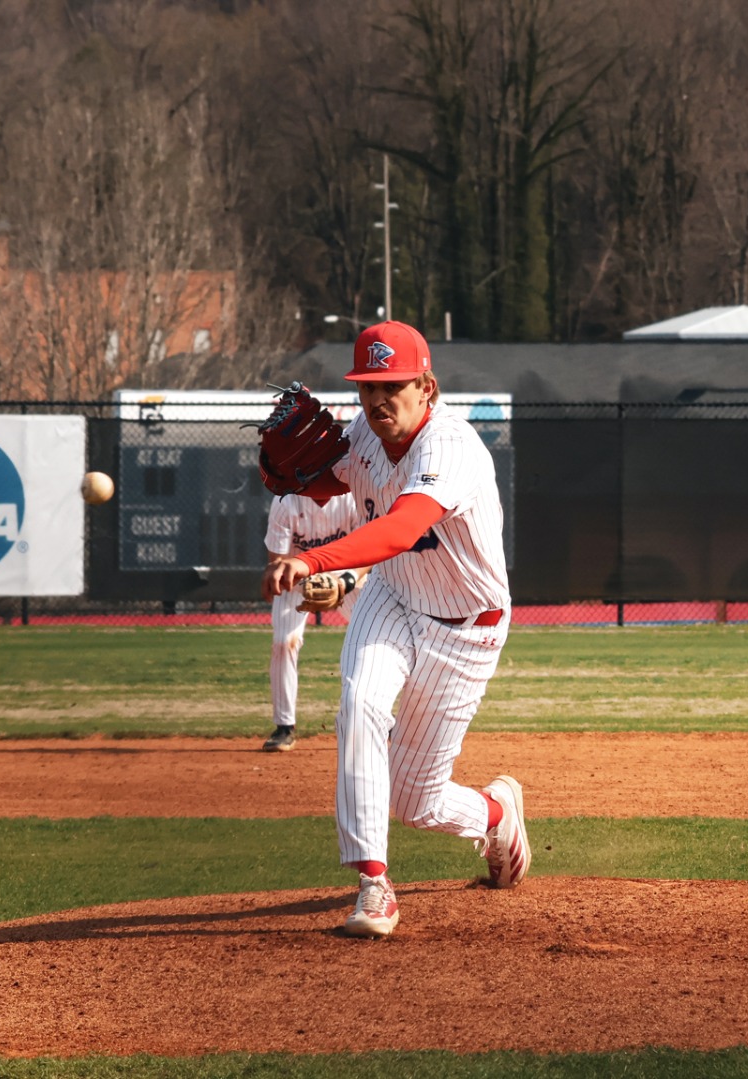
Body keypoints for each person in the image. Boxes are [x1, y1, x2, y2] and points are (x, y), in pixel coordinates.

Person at [261, 320, 526, 939]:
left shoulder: (449, 447)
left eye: (392, 385)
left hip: (465, 628)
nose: (378, 400)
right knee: (359, 706)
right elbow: (333, 480)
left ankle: (494, 815)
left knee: (416, 802)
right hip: (393, 599)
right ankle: (373, 885)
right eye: (367, 387)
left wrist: (314, 561)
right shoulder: (364, 433)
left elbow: (402, 529)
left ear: (426, 387)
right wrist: (294, 475)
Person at [261, 490, 364, 752]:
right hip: (297, 582)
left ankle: (379, 717)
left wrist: (342, 582)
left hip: (345, 578)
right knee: (284, 642)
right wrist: (300, 581)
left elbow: (366, 551)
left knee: (374, 636)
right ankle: (284, 727)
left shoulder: (351, 496)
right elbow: (278, 562)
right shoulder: (285, 501)